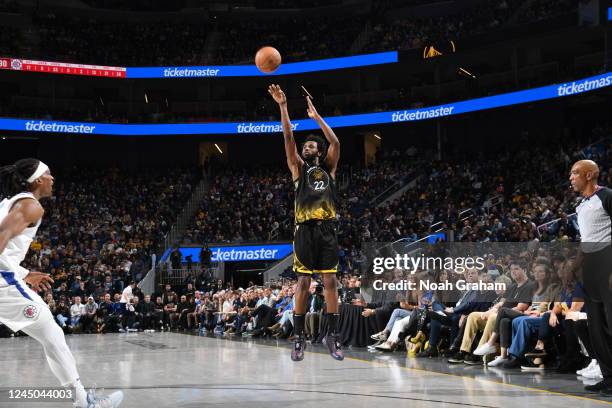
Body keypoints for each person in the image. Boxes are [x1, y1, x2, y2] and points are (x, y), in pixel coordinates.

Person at [0, 158, 123, 407]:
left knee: (52, 335)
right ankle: (84, 402)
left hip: (8, 276)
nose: (53, 179)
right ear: (37, 180)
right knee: (52, 334)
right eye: (49, 174)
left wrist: (23, 273)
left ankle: (82, 399)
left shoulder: (8, 203)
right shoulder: (30, 205)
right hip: (3, 286)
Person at [269, 84, 342, 362]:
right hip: (305, 230)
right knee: (303, 282)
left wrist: (317, 117)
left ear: (319, 152)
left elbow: (335, 143)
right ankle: (298, 337)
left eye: (311, 146)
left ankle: (331, 335)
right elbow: (288, 136)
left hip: (327, 230)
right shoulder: (299, 169)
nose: (306, 147)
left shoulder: (329, 168)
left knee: (331, 281)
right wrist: (283, 106)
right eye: (305, 146)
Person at [570, 159, 612, 395]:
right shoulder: (581, 206)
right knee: (596, 328)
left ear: (589, 175)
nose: (571, 177)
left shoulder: (606, 197)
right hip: (590, 271)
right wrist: (574, 268)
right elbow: (585, 240)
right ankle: (609, 376)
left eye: (575, 173)